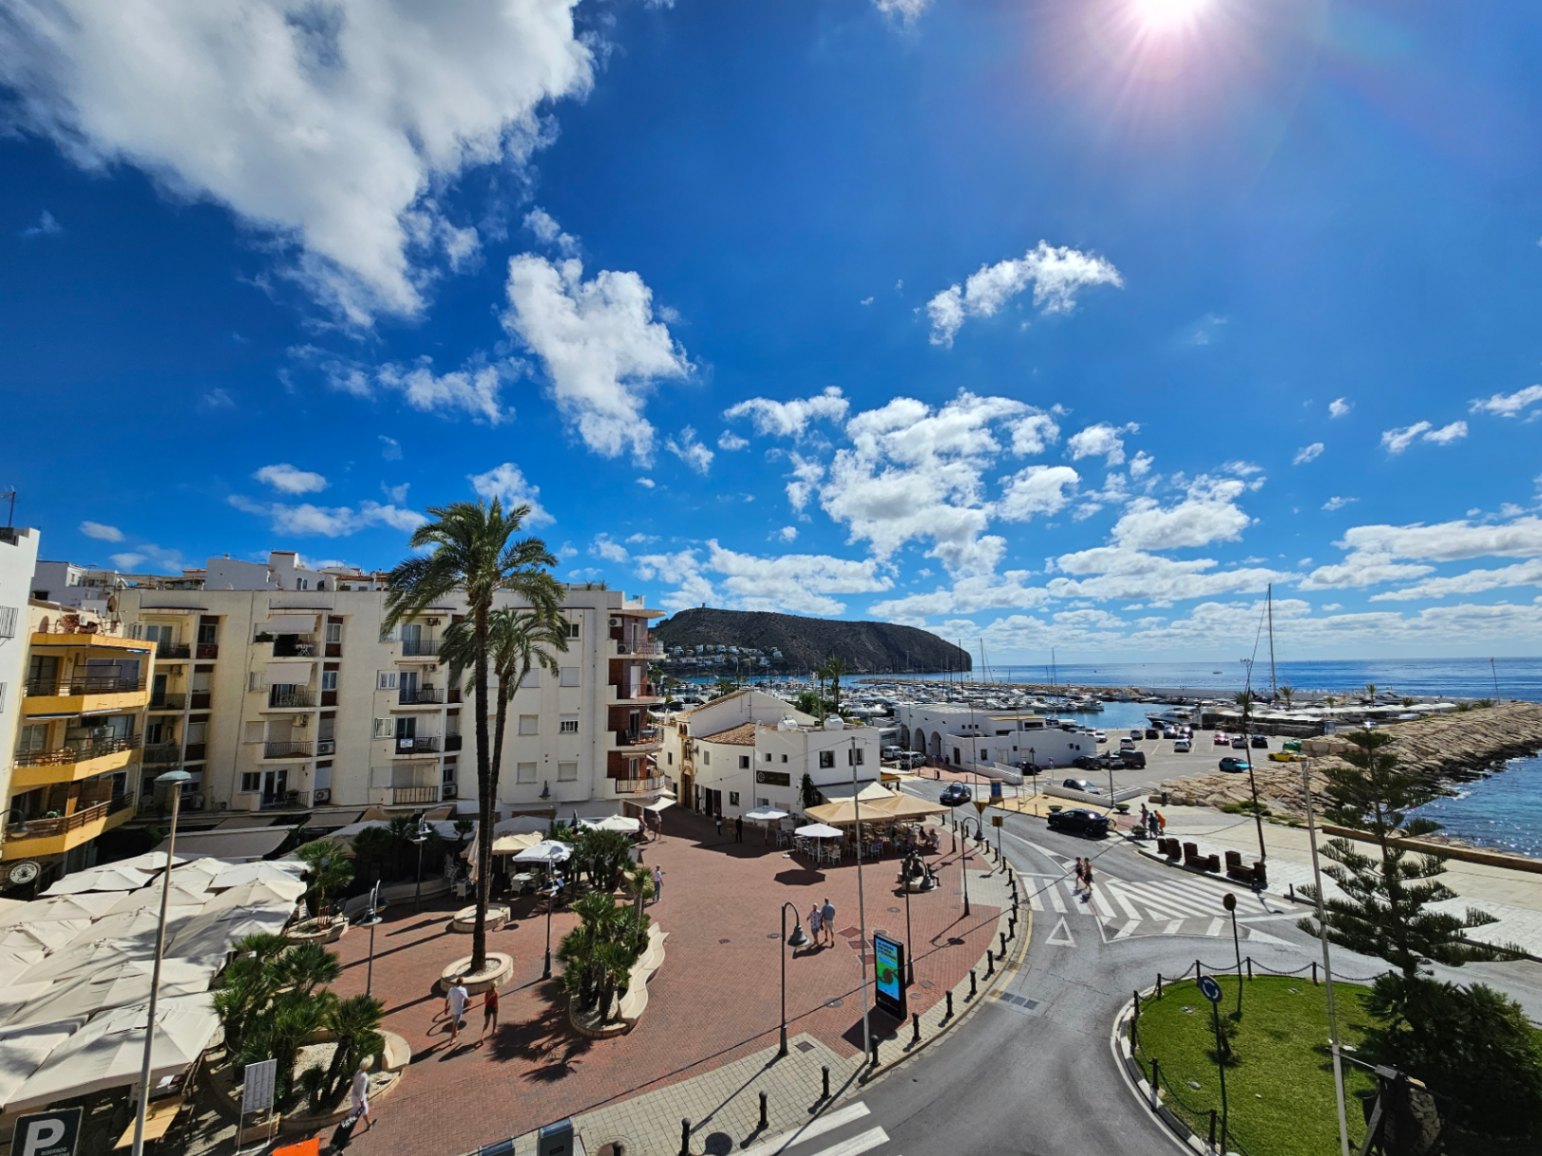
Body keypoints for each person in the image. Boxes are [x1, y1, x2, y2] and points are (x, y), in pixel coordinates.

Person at [349, 1057, 373, 1132]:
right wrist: (362, 1103)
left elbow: (354, 1083)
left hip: (354, 1096)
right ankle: (369, 1124)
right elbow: (361, 1092)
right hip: (359, 1098)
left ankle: (349, 1123)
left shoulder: (358, 1072)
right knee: (364, 1111)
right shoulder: (364, 1077)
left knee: (355, 1110)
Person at [445, 976, 469, 1045]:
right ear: (462, 983)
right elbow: (467, 1000)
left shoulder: (451, 989)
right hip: (458, 1010)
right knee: (454, 1024)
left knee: (455, 1022)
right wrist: (469, 1003)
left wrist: (446, 1009)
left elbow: (447, 1000)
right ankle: (453, 1039)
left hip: (452, 1010)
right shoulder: (463, 990)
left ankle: (456, 1032)